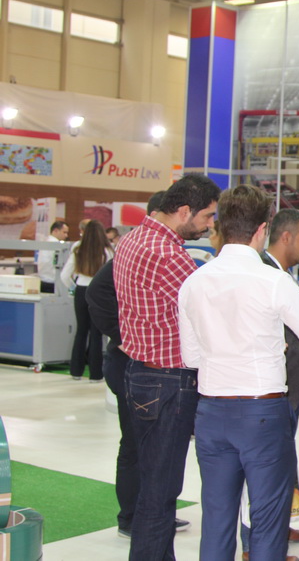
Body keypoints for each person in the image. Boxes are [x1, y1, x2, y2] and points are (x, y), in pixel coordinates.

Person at [179, 185, 299, 561]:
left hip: (211, 412)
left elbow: (191, 358)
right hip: (261, 413)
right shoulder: (274, 281)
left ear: (220, 225)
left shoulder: (194, 282)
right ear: (262, 229)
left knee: (216, 520)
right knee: (267, 519)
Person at [114, 173, 220, 561]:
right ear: (184, 211)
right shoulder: (168, 255)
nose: (209, 225)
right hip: (169, 381)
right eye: (206, 216)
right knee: (161, 494)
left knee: (152, 483)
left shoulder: (131, 240)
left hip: (138, 372)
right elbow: (206, 311)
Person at [86, 192, 188, 540]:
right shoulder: (139, 249)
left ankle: (149, 513)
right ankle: (131, 517)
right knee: (134, 444)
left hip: (139, 360)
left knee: (151, 447)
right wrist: (124, 336)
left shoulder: (140, 248)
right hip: (129, 361)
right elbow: (96, 295)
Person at [238, 208, 299, 559]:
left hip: (287, 389)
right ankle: (255, 546)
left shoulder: (280, 274)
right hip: (266, 393)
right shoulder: (264, 275)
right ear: (286, 237)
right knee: (261, 475)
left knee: (279, 468)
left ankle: (277, 529)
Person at [61, 220, 114, 381]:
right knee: (96, 333)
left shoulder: (78, 248)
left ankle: (76, 371)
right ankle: (96, 374)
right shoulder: (107, 251)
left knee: (81, 331)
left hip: (81, 291)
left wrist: (73, 288)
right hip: (99, 294)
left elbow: (65, 275)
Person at [37, 220, 69, 293]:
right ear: (55, 231)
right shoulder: (57, 246)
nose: (66, 235)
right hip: (53, 283)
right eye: (64, 232)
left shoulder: (45, 243)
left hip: (43, 281)